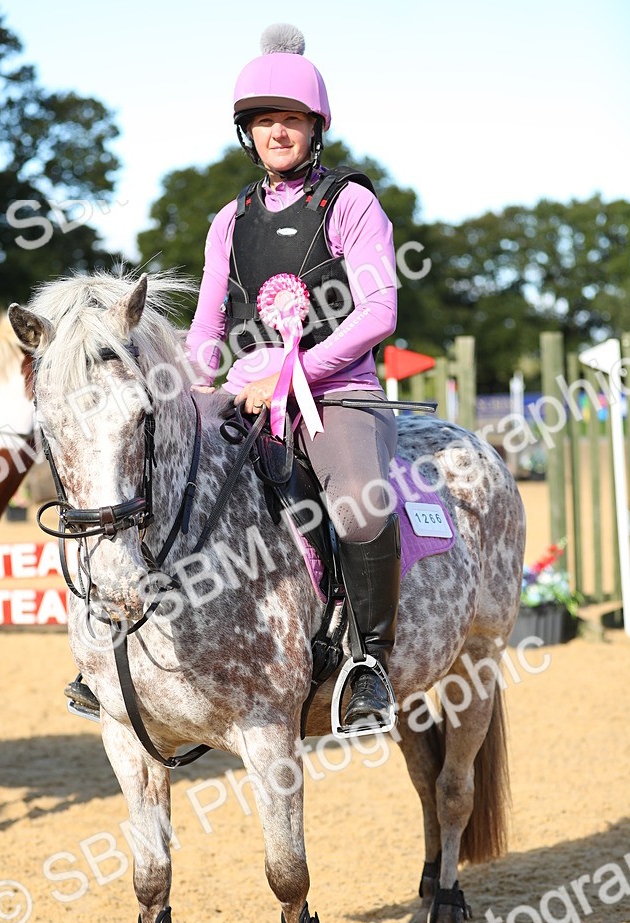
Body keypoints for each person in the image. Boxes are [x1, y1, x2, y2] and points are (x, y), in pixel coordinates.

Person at [184, 24, 400, 729]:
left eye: (292, 119)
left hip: (336, 395)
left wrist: (292, 371)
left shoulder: (351, 203)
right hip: (244, 398)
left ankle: (371, 665)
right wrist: (192, 386)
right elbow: (208, 327)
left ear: (315, 127)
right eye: (264, 121)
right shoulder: (229, 219)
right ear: (248, 133)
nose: (278, 132)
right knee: (161, 475)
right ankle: (134, 649)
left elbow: (378, 311)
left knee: (361, 507)